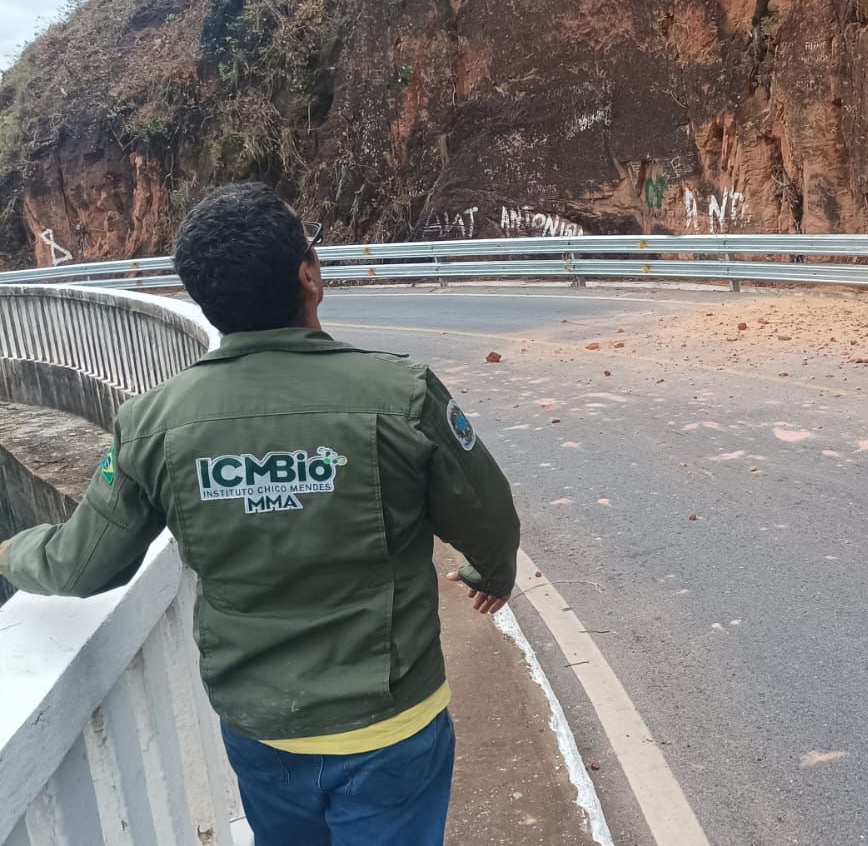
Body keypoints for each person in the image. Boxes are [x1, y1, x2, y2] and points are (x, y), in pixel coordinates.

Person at [0, 182, 520, 846]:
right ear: (309, 275)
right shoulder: (402, 396)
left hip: (263, 730)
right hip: (390, 726)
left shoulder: (154, 421)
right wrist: (490, 573)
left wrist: (11, 552)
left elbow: (81, 562)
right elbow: (489, 518)